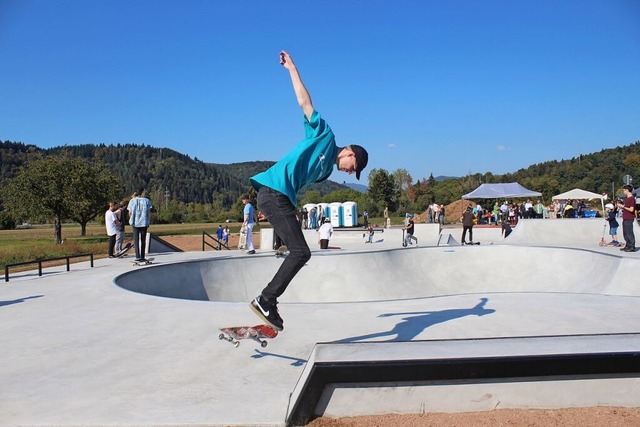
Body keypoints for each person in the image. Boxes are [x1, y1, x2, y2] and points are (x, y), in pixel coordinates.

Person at [248, 50, 369, 331]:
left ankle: (269, 301)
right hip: (272, 191)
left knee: (299, 252)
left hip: (279, 198)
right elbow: (305, 102)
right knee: (301, 252)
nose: (351, 172)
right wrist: (292, 69)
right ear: (350, 152)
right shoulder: (325, 135)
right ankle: (266, 299)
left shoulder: (326, 172)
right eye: (354, 166)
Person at [127, 188, 152, 262]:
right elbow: (148, 212)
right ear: (142, 193)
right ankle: (142, 256)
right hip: (144, 222)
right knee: (143, 240)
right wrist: (148, 221)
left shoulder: (132, 201)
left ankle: (137, 256)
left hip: (135, 223)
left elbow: (130, 212)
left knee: (136, 240)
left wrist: (131, 219)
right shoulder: (146, 201)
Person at [617, 185, 636, 252]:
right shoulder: (627, 199)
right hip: (625, 218)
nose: (623, 191)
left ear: (627, 190)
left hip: (629, 218)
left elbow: (631, 209)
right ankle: (627, 245)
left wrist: (623, 206)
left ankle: (632, 246)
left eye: (624, 190)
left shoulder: (631, 199)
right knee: (625, 233)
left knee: (629, 233)